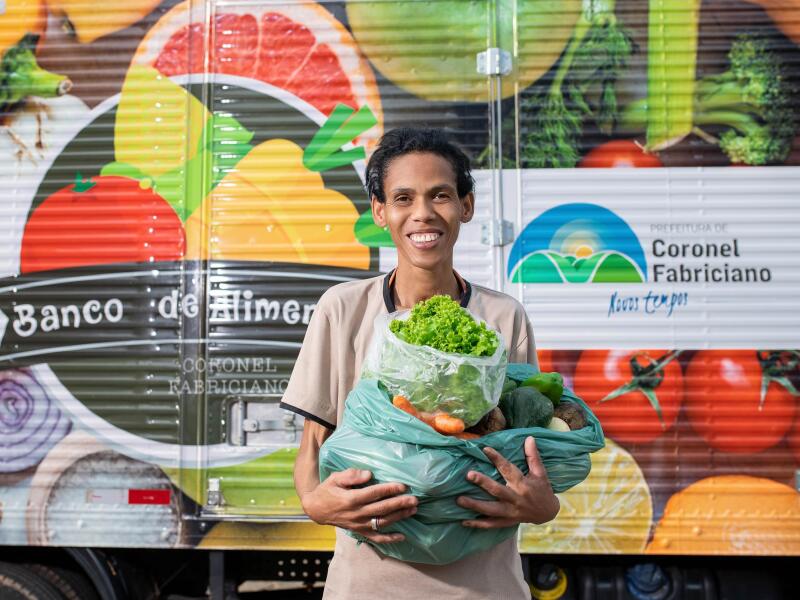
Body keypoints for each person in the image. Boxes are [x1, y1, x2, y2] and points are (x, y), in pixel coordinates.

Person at [280, 127, 560, 599]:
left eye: (441, 195)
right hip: (367, 584)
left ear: (466, 206)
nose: (423, 214)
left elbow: (529, 452)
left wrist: (543, 506)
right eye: (403, 197)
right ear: (380, 211)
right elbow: (312, 446)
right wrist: (314, 502)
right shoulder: (343, 309)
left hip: (485, 585)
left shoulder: (502, 317)